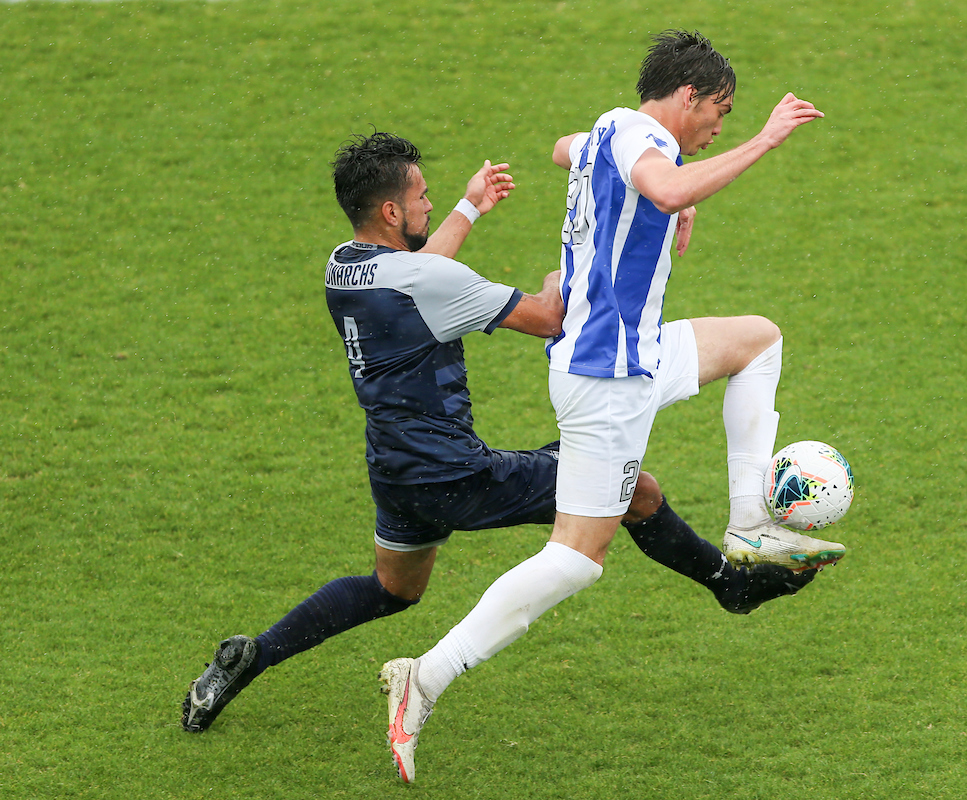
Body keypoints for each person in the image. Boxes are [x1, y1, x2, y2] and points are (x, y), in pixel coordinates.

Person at [180, 131, 815, 735]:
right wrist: (574, 264)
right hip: (455, 473)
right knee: (634, 492)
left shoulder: (346, 268)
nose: (432, 202)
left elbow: (418, 271)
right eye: (423, 196)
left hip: (394, 470)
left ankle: (249, 655)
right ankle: (731, 586)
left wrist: (467, 207)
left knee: (392, 589)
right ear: (391, 209)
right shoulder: (429, 282)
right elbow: (550, 318)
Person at [380, 30, 846, 783]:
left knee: (759, 342)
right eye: (721, 111)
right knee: (575, 558)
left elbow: (568, 149)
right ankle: (424, 678)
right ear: (688, 96)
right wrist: (759, 144)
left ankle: (751, 526)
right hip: (609, 379)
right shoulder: (639, 135)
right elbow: (661, 187)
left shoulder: (611, 128)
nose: (721, 126)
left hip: (634, 352)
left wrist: (670, 183)